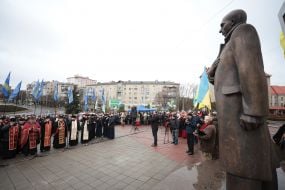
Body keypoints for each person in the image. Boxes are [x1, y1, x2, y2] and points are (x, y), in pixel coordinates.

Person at [207, 9, 278, 189]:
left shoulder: (244, 31)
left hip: (242, 115)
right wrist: (213, 70)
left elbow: (251, 71)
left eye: (222, 24)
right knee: (245, 164)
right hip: (234, 115)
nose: (220, 29)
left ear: (234, 21)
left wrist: (253, 111)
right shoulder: (228, 44)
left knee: (245, 165)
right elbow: (223, 78)